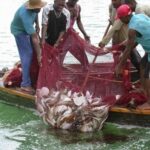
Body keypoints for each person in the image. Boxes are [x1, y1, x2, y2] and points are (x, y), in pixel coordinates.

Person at [115, 4, 150, 109]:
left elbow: (129, 48)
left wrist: (119, 66)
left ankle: (149, 103)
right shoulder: (140, 16)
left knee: (146, 75)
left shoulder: (132, 28)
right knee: (142, 65)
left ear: (126, 17)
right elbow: (138, 39)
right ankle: (144, 90)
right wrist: (123, 45)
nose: (121, 21)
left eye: (121, 18)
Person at [10, 0, 47, 93]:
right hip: (19, 31)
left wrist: (37, 24)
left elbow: (36, 14)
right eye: (37, 8)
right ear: (32, 8)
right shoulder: (25, 15)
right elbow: (35, 38)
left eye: (40, 7)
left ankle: (29, 74)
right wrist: (39, 55)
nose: (40, 9)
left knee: (34, 51)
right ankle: (25, 84)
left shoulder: (34, 7)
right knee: (28, 53)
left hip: (28, 29)